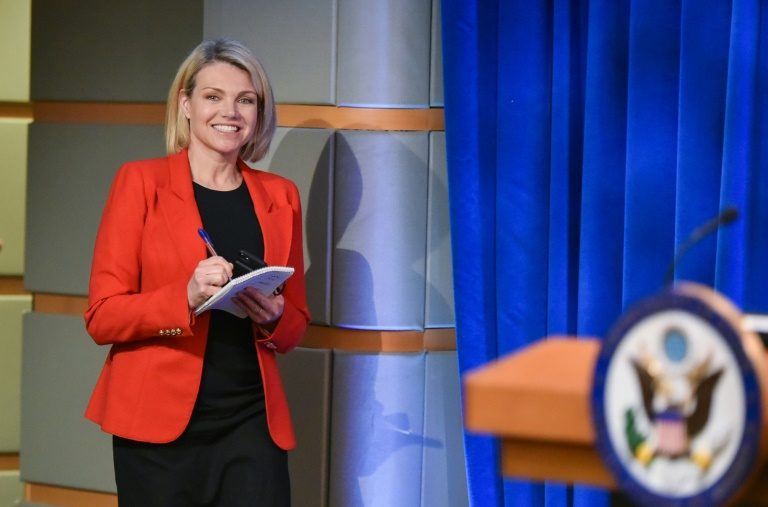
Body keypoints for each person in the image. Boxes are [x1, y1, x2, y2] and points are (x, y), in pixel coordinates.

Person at [83, 38, 309, 506]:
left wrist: (274, 316)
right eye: (213, 96)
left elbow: (295, 326)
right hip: (157, 428)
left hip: (252, 421)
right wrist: (184, 296)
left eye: (245, 100)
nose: (230, 112)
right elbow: (102, 317)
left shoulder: (282, 195)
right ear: (185, 104)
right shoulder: (140, 182)